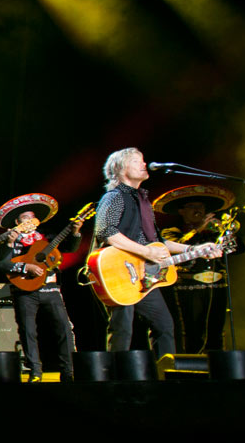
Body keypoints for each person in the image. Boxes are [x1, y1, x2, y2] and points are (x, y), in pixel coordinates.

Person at [95, 149, 221, 358]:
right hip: (118, 273)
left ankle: (165, 376)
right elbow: (106, 232)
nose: (144, 164)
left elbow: (158, 242)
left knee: (164, 325)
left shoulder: (143, 201)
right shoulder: (114, 196)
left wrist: (193, 250)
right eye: (137, 161)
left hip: (144, 274)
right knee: (122, 329)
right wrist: (146, 251)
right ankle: (114, 380)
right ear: (121, 169)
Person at [0, 194, 81, 382]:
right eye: (26, 217)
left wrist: (75, 232)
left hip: (50, 289)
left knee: (64, 328)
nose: (31, 220)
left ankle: (69, 371)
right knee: (28, 331)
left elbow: (70, 248)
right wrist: (25, 267)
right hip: (24, 291)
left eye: (33, 216)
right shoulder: (10, 241)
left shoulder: (47, 237)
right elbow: (2, 264)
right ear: (18, 222)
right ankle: (35, 371)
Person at [155, 185, 239, 353]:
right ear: (181, 211)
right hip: (188, 289)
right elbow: (171, 250)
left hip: (217, 287)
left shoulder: (214, 234)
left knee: (215, 330)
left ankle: (216, 365)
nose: (198, 210)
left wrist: (227, 232)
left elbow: (237, 249)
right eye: (192, 207)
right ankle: (191, 364)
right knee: (191, 331)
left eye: (200, 207)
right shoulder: (172, 232)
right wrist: (198, 230)